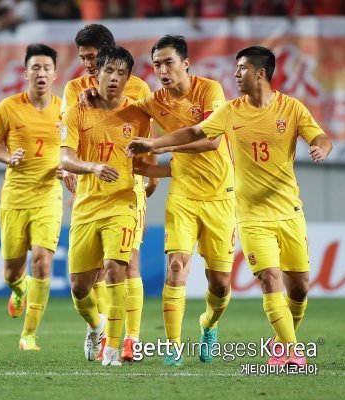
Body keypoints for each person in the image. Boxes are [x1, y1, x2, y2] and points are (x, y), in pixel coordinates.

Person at [127, 46, 333, 365]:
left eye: (241, 69)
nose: (235, 74)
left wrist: (321, 148)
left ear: (260, 73)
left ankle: (230, 328)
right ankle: (285, 351)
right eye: (156, 64)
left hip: (278, 209)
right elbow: (195, 131)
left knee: (295, 288)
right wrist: (153, 144)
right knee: (257, 277)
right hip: (244, 213)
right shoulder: (227, 109)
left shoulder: (288, 108)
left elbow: (319, 136)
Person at [132, 35, 235, 365]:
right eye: (156, 64)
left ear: (186, 62)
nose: (162, 70)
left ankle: (208, 324)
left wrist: (161, 146)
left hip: (221, 195)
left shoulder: (209, 90)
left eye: (168, 62)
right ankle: (172, 347)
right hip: (183, 196)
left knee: (219, 283)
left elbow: (212, 140)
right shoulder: (153, 101)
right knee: (176, 267)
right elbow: (123, 113)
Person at [61, 23, 157, 362]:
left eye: (91, 58)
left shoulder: (140, 91)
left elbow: (149, 137)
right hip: (89, 190)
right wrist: (73, 167)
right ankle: (99, 328)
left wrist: (155, 175)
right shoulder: (75, 91)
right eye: (84, 60)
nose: (86, 65)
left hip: (127, 191)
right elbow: (68, 137)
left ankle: (128, 340)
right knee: (84, 281)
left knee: (125, 262)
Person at [0, 43, 63, 351]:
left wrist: (67, 170)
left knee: (42, 262)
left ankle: (28, 335)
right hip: (15, 197)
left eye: (46, 68)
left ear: (55, 74)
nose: (41, 73)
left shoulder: (64, 110)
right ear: (26, 71)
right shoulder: (8, 107)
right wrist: (8, 158)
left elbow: (75, 150)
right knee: (11, 272)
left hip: (48, 196)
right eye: (36, 68)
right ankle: (19, 289)